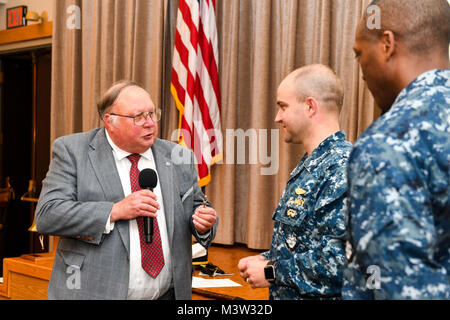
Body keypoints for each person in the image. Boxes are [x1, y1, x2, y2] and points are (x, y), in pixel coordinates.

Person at [36, 80, 218, 300]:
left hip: (168, 295)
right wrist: (114, 211)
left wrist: (204, 223)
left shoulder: (178, 156)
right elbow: (48, 215)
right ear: (110, 121)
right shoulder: (73, 152)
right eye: (138, 117)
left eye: (152, 113)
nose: (150, 123)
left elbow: (198, 209)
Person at [343, 0, 450, 299]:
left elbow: (400, 289)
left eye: (359, 54)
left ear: (387, 44)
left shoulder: (388, 144)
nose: (361, 71)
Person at [238, 64, 353, 299]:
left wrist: (272, 271)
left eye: (283, 106)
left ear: (310, 106)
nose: (277, 117)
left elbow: (342, 262)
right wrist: (267, 258)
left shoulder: (342, 168)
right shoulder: (312, 164)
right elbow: (305, 242)